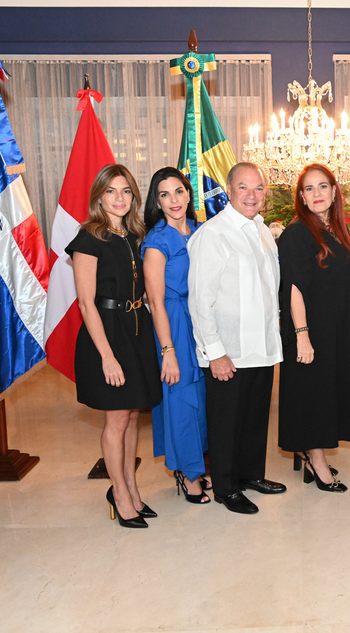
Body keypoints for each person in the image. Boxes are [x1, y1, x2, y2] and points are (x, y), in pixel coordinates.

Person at [187, 162, 286, 515]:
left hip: (260, 345)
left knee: (255, 415)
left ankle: (250, 475)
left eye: (258, 188)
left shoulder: (259, 229)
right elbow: (200, 299)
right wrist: (215, 351)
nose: (251, 195)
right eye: (244, 187)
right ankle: (227, 487)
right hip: (228, 349)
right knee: (227, 421)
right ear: (229, 191)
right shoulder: (213, 234)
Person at [67, 164, 162, 528]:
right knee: (117, 418)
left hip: (137, 330)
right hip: (106, 334)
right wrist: (107, 357)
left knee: (134, 414)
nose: (119, 198)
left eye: (126, 191)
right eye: (111, 191)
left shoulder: (137, 235)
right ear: (98, 197)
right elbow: (86, 303)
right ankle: (118, 493)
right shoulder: (88, 238)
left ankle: (132, 488)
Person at [277, 163, 350, 492]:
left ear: (334, 193)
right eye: (309, 189)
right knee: (312, 395)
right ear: (301, 196)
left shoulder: (335, 229)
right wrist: (302, 336)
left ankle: (313, 452)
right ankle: (315, 460)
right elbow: (294, 288)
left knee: (325, 393)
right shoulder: (296, 233)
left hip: (338, 326)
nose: (316, 194)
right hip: (311, 327)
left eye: (322, 187)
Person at [142, 167, 210, 504]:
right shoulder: (156, 242)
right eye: (164, 194)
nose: (173, 200)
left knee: (203, 398)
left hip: (202, 320)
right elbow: (155, 301)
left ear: (189, 193)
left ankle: (199, 464)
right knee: (181, 396)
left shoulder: (201, 230)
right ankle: (187, 473)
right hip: (174, 324)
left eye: (179, 192)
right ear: (157, 200)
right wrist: (168, 350)